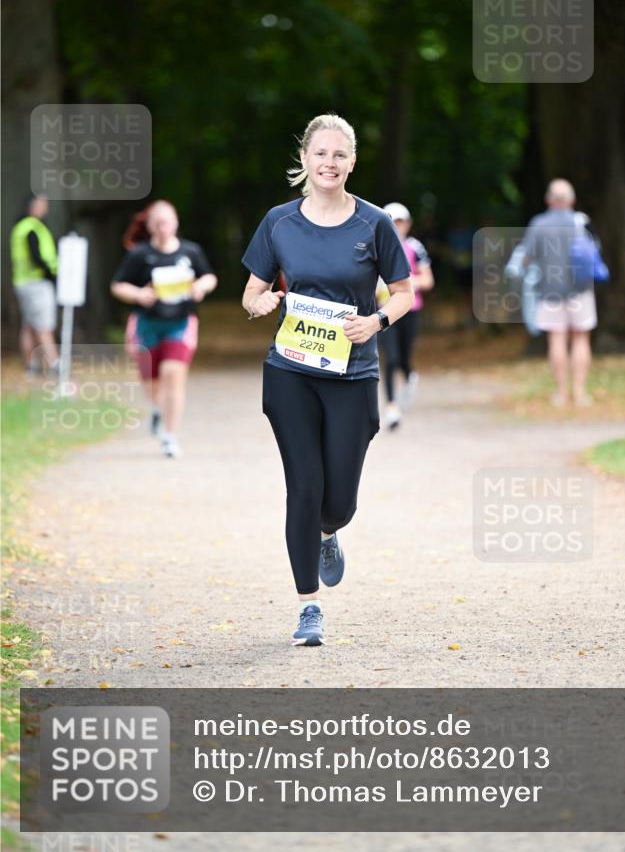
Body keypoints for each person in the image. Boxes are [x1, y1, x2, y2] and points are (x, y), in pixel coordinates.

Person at [241, 113, 413, 646]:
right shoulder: (279, 222)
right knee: (304, 487)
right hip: (291, 370)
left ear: (352, 162)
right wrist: (262, 301)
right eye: (321, 154)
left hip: (352, 372)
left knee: (338, 502)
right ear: (305, 160)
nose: (329, 163)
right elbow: (251, 294)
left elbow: (403, 292)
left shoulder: (374, 224)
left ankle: (328, 532)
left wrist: (377, 320)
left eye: (340, 155)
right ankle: (308, 607)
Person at [110, 200, 218, 457]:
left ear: (176, 222)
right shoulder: (139, 254)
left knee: (173, 373)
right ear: (149, 226)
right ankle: (157, 409)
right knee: (151, 384)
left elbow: (209, 276)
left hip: (180, 323)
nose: (163, 227)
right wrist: (138, 294)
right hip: (148, 325)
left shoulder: (190, 252)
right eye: (157, 223)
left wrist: (201, 287)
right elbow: (117, 285)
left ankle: (170, 437)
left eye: (167, 221)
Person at [522, 178, 598, 408]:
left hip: (549, 290)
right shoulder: (581, 222)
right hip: (581, 290)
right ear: (572, 200)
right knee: (581, 338)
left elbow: (527, 258)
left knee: (556, 338)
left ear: (548, 200)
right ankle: (580, 392)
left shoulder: (539, 224)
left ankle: (561, 394)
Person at [378, 202, 434, 430]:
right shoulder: (376, 247)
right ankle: (391, 407)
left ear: (408, 224)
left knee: (403, 358)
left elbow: (428, 280)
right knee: (390, 359)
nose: (396, 226)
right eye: (391, 221)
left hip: (410, 310)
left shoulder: (415, 247)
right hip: (385, 310)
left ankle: (410, 375)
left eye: (400, 221)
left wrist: (406, 284)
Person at [10, 195, 59, 373]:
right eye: (42, 204)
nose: (45, 208)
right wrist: (50, 272)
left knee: (29, 325)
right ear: (33, 206)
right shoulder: (32, 228)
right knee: (44, 325)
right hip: (37, 283)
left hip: (22, 282)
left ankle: (32, 365)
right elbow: (36, 256)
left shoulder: (20, 227)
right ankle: (55, 364)